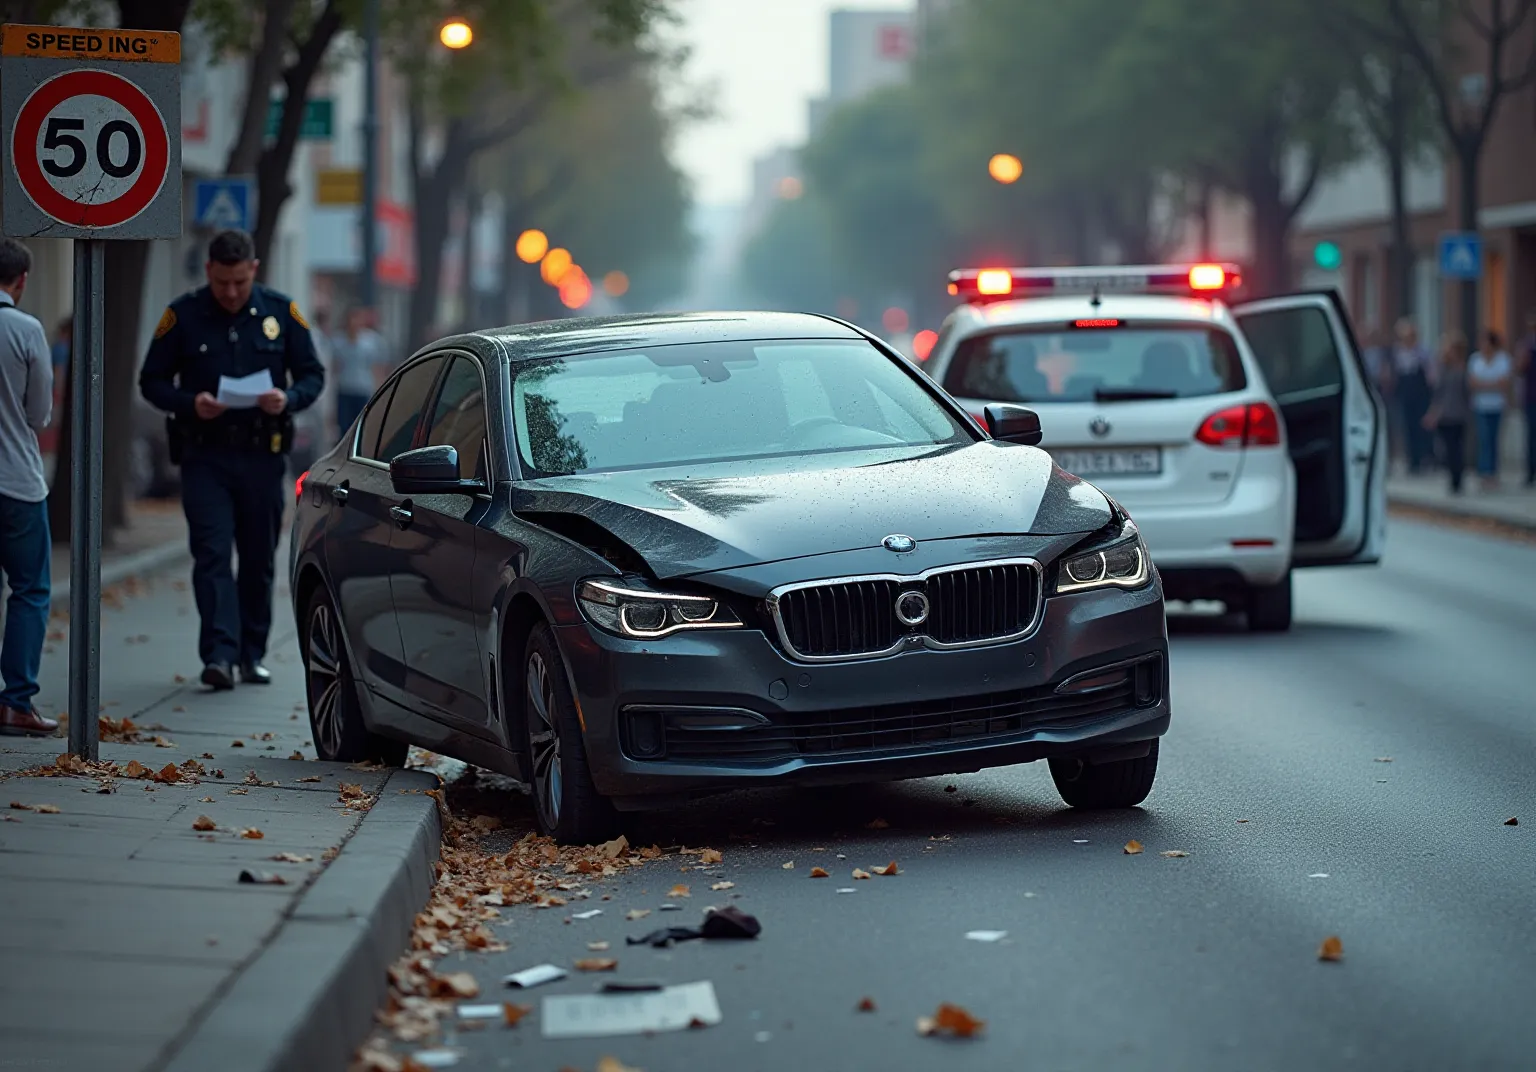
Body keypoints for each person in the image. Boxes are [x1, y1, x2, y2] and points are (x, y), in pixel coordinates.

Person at [138, 230, 325, 690]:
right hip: (205, 455)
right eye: (223, 282)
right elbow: (152, 381)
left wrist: (289, 398)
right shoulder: (183, 315)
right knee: (212, 554)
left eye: (240, 282)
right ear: (209, 272)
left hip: (263, 457)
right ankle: (219, 654)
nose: (231, 292)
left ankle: (251, 654)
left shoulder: (281, 313)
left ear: (254, 271)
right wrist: (188, 402)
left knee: (259, 558)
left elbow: (312, 374)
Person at [0, 238, 57, 736]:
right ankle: (16, 702)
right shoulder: (25, 329)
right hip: (16, 482)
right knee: (30, 591)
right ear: (21, 280)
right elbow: (39, 414)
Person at [1424, 331, 1471, 495]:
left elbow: (1468, 393)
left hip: (1460, 415)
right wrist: (1432, 414)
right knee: (1448, 449)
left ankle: (1458, 480)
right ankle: (1453, 479)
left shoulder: (1465, 369)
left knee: (1458, 449)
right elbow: (1438, 395)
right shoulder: (1443, 369)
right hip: (1445, 415)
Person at [329, 306, 387, 439]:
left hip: (363, 389)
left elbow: (377, 367)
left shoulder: (371, 341)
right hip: (344, 389)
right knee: (344, 427)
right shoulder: (338, 341)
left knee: (361, 427)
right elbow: (335, 368)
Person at [1467, 329, 1512, 490]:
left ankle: (1493, 473)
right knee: (1484, 439)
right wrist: (1492, 385)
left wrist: (1483, 384)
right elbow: (1473, 384)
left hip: (1497, 406)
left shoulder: (1503, 360)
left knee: (1493, 440)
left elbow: (1504, 384)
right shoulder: (1475, 360)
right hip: (1480, 406)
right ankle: (1484, 473)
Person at [1391, 318, 1434, 474]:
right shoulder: (1399, 352)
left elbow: (1430, 374)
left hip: (1420, 394)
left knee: (1421, 427)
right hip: (1405, 394)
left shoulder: (1422, 352)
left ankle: (1425, 457)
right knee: (1408, 427)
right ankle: (1412, 460)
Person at [1518, 310, 1536, 486]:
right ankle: (1531, 471)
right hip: (1531, 397)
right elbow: (1520, 368)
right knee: (1531, 436)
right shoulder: (1527, 347)